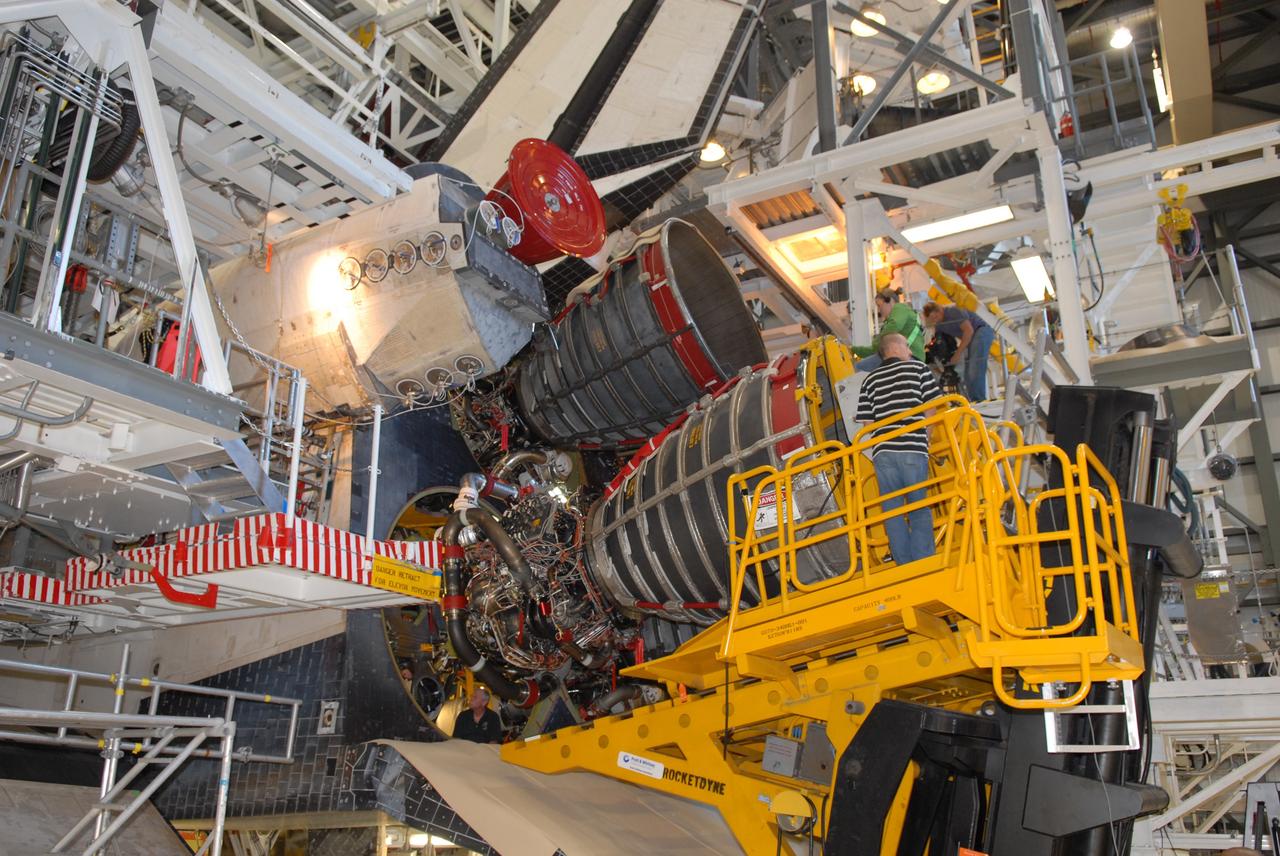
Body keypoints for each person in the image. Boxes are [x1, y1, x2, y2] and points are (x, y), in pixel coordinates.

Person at [854, 333, 944, 566]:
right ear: (894, 348)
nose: (911, 352)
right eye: (907, 346)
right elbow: (932, 409)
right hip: (912, 449)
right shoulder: (918, 369)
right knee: (918, 507)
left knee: (892, 510)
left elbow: (866, 425)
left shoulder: (870, 380)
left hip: (884, 454)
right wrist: (925, 438)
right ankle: (923, 561)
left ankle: (904, 563)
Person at [922, 302, 996, 401]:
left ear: (940, 310)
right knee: (966, 372)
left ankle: (979, 399)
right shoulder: (940, 325)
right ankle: (973, 399)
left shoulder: (954, 311)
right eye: (932, 319)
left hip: (981, 331)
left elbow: (969, 331)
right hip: (971, 339)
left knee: (975, 367)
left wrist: (957, 354)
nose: (935, 320)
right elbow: (940, 342)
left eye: (935, 316)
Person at [852, 289, 926, 372]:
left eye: (879, 305)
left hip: (910, 358)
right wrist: (854, 350)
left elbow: (894, 326)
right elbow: (874, 350)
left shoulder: (900, 307)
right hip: (908, 358)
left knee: (858, 368)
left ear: (890, 301)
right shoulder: (894, 320)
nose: (879, 310)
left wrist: (877, 342)